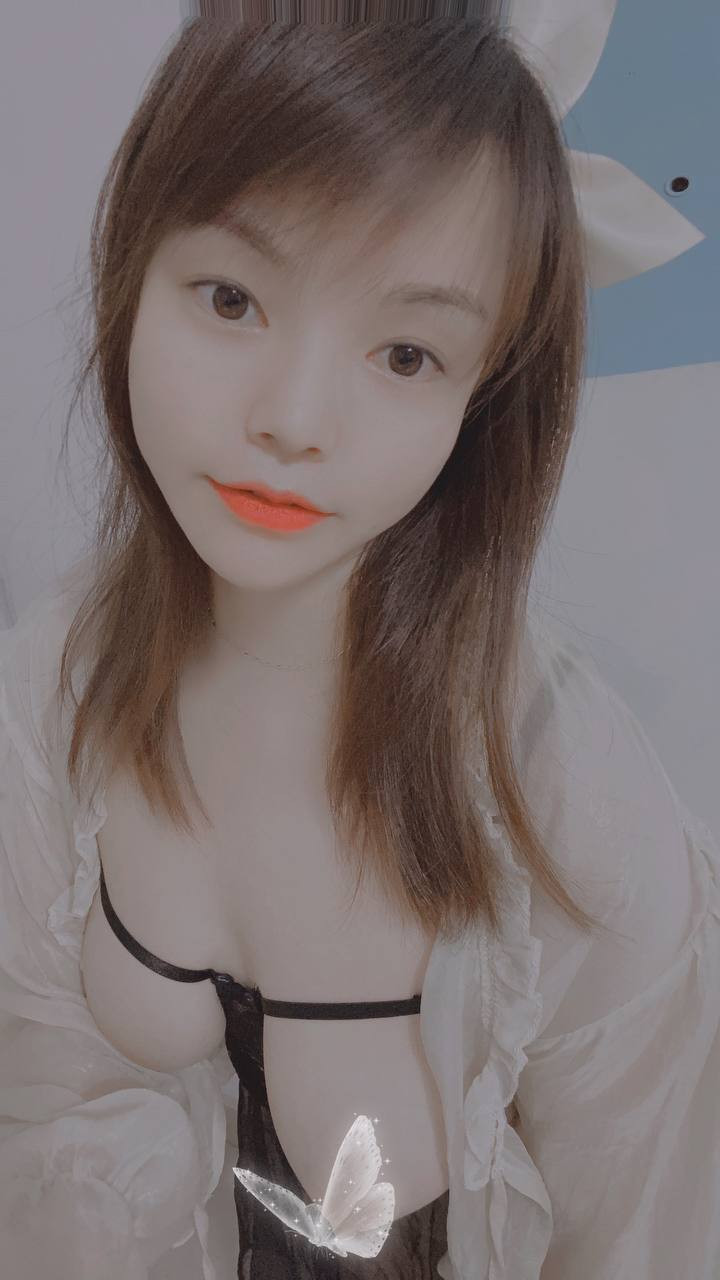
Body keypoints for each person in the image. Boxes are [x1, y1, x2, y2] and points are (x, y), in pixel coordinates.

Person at [1, 8, 719, 1280]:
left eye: (405, 353)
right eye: (232, 298)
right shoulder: (50, 693)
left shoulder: (567, 795)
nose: (293, 418)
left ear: (483, 398)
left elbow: (648, 1230)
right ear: (131, 268)